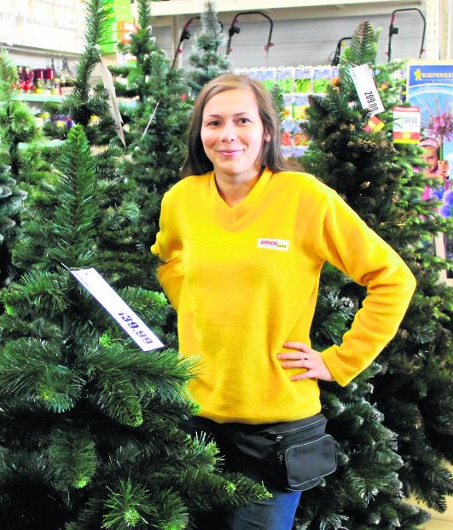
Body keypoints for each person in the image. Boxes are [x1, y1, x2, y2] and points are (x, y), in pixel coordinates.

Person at [151, 74, 416, 529]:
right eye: (213, 122)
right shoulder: (181, 201)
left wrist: (340, 361)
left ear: (267, 130)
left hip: (276, 427)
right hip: (196, 417)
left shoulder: (304, 197)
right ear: (200, 133)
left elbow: (392, 278)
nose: (227, 134)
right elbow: (168, 260)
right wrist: (199, 318)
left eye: (242, 120)